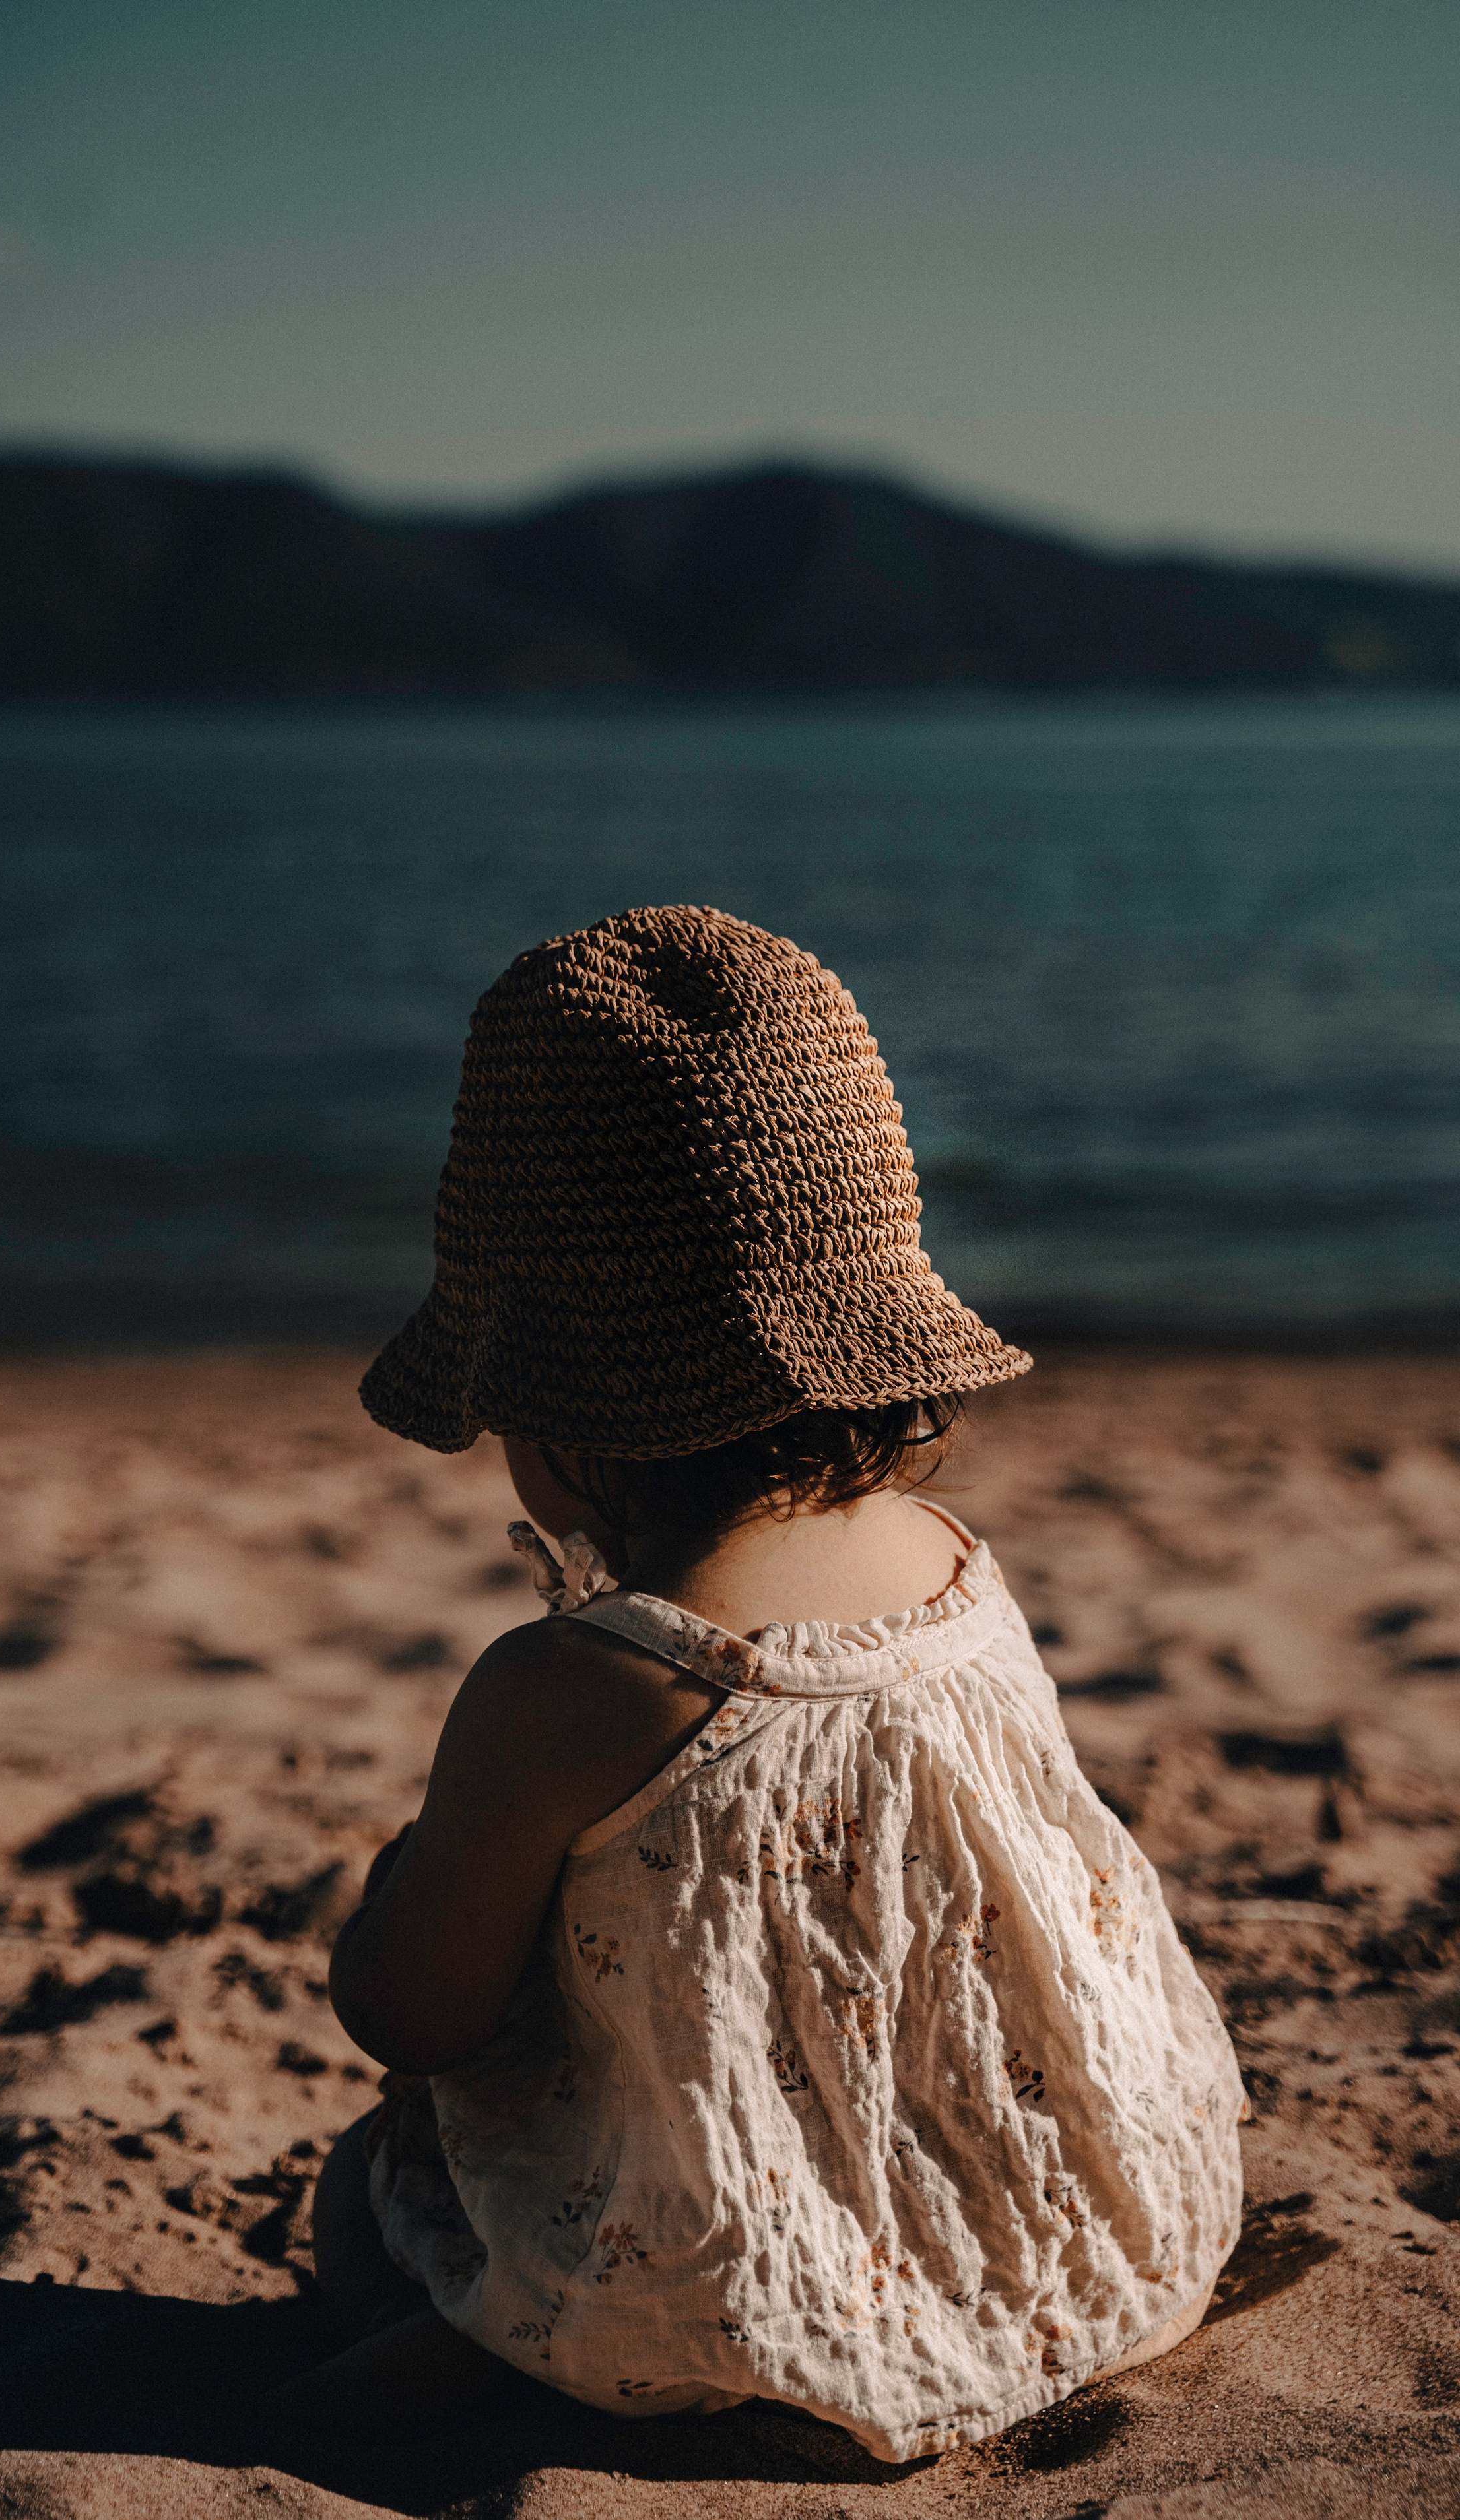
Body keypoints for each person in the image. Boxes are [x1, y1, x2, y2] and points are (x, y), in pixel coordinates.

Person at [267, 905, 1242, 2463]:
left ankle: (538, 2367)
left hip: (735, 2301)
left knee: (364, 2188)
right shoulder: (946, 1562)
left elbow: (421, 2014)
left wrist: (396, 1898)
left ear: (549, 1402)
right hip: (1094, 2238)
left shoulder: (578, 1685)